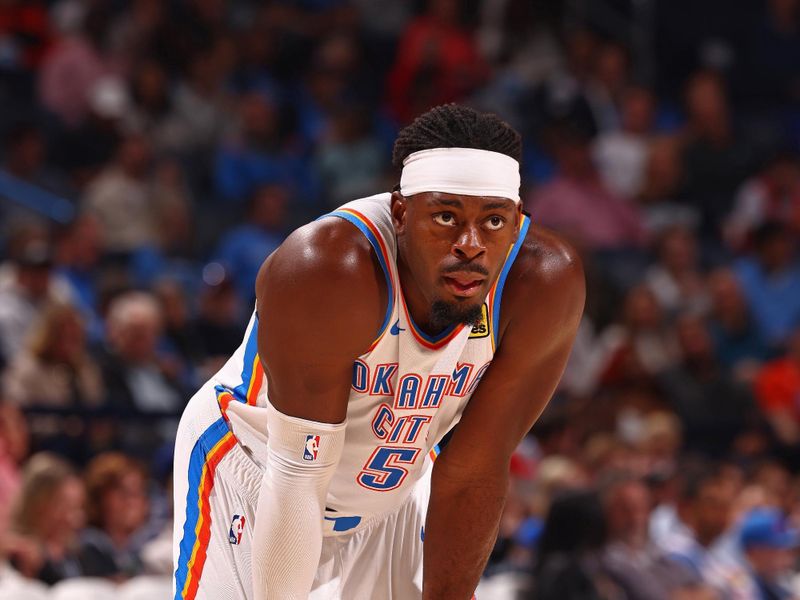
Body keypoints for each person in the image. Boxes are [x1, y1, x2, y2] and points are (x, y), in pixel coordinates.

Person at [172, 103, 585, 599]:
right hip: (259, 470)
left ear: (517, 220)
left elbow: (475, 468)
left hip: (390, 493)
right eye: (446, 217)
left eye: (494, 222)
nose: (470, 244)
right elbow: (298, 475)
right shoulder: (327, 269)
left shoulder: (543, 283)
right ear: (401, 213)